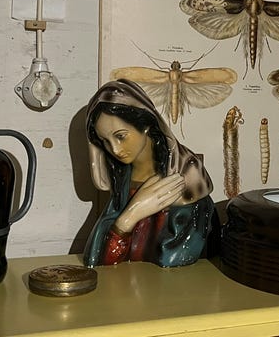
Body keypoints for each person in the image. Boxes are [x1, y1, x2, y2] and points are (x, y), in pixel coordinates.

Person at [83, 79, 215, 268]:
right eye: (105, 141)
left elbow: (174, 261)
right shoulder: (122, 177)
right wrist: (130, 216)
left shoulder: (185, 176)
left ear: (145, 124)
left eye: (120, 136)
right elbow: (99, 261)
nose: (115, 149)